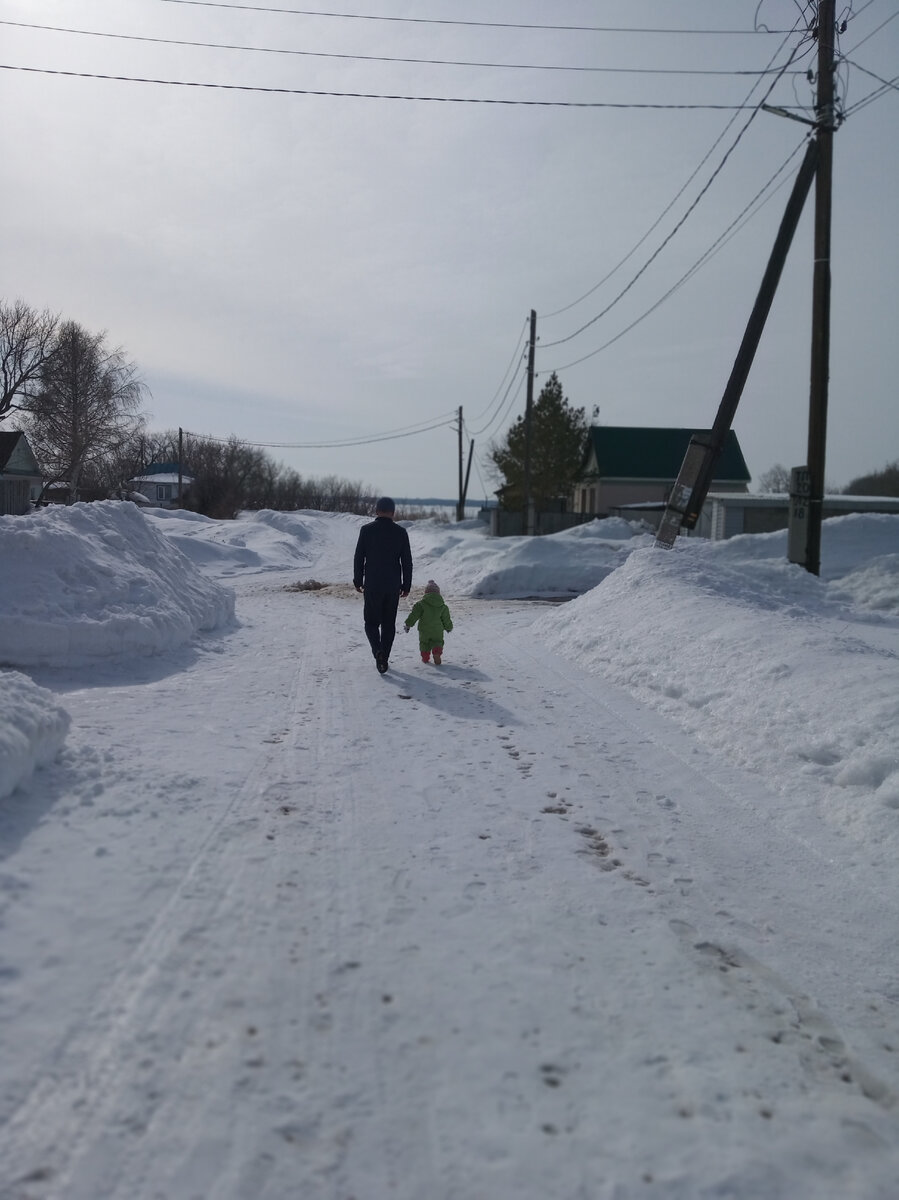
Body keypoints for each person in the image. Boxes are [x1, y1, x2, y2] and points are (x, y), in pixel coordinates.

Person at [353, 496, 413, 673]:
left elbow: (359, 557)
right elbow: (407, 562)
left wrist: (358, 580)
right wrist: (406, 585)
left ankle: (377, 651)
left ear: (376, 511)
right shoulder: (401, 532)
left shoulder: (366, 530)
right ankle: (384, 658)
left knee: (371, 623)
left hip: (372, 584)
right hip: (392, 586)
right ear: (393, 512)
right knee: (388, 624)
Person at [404, 579, 453, 665]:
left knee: (424, 643)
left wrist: (408, 624)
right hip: (437, 630)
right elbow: (446, 619)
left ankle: (425, 657)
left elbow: (414, 615)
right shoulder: (443, 606)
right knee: (438, 642)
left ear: (426, 593)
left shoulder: (420, 604)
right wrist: (448, 627)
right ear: (438, 593)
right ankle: (437, 652)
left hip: (424, 629)